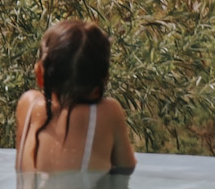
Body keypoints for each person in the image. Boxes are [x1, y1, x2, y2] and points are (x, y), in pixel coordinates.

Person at [12, 19, 136, 176]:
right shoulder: (109, 112)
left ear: (39, 74)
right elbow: (127, 166)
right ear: (102, 81)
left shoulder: (27, 104)